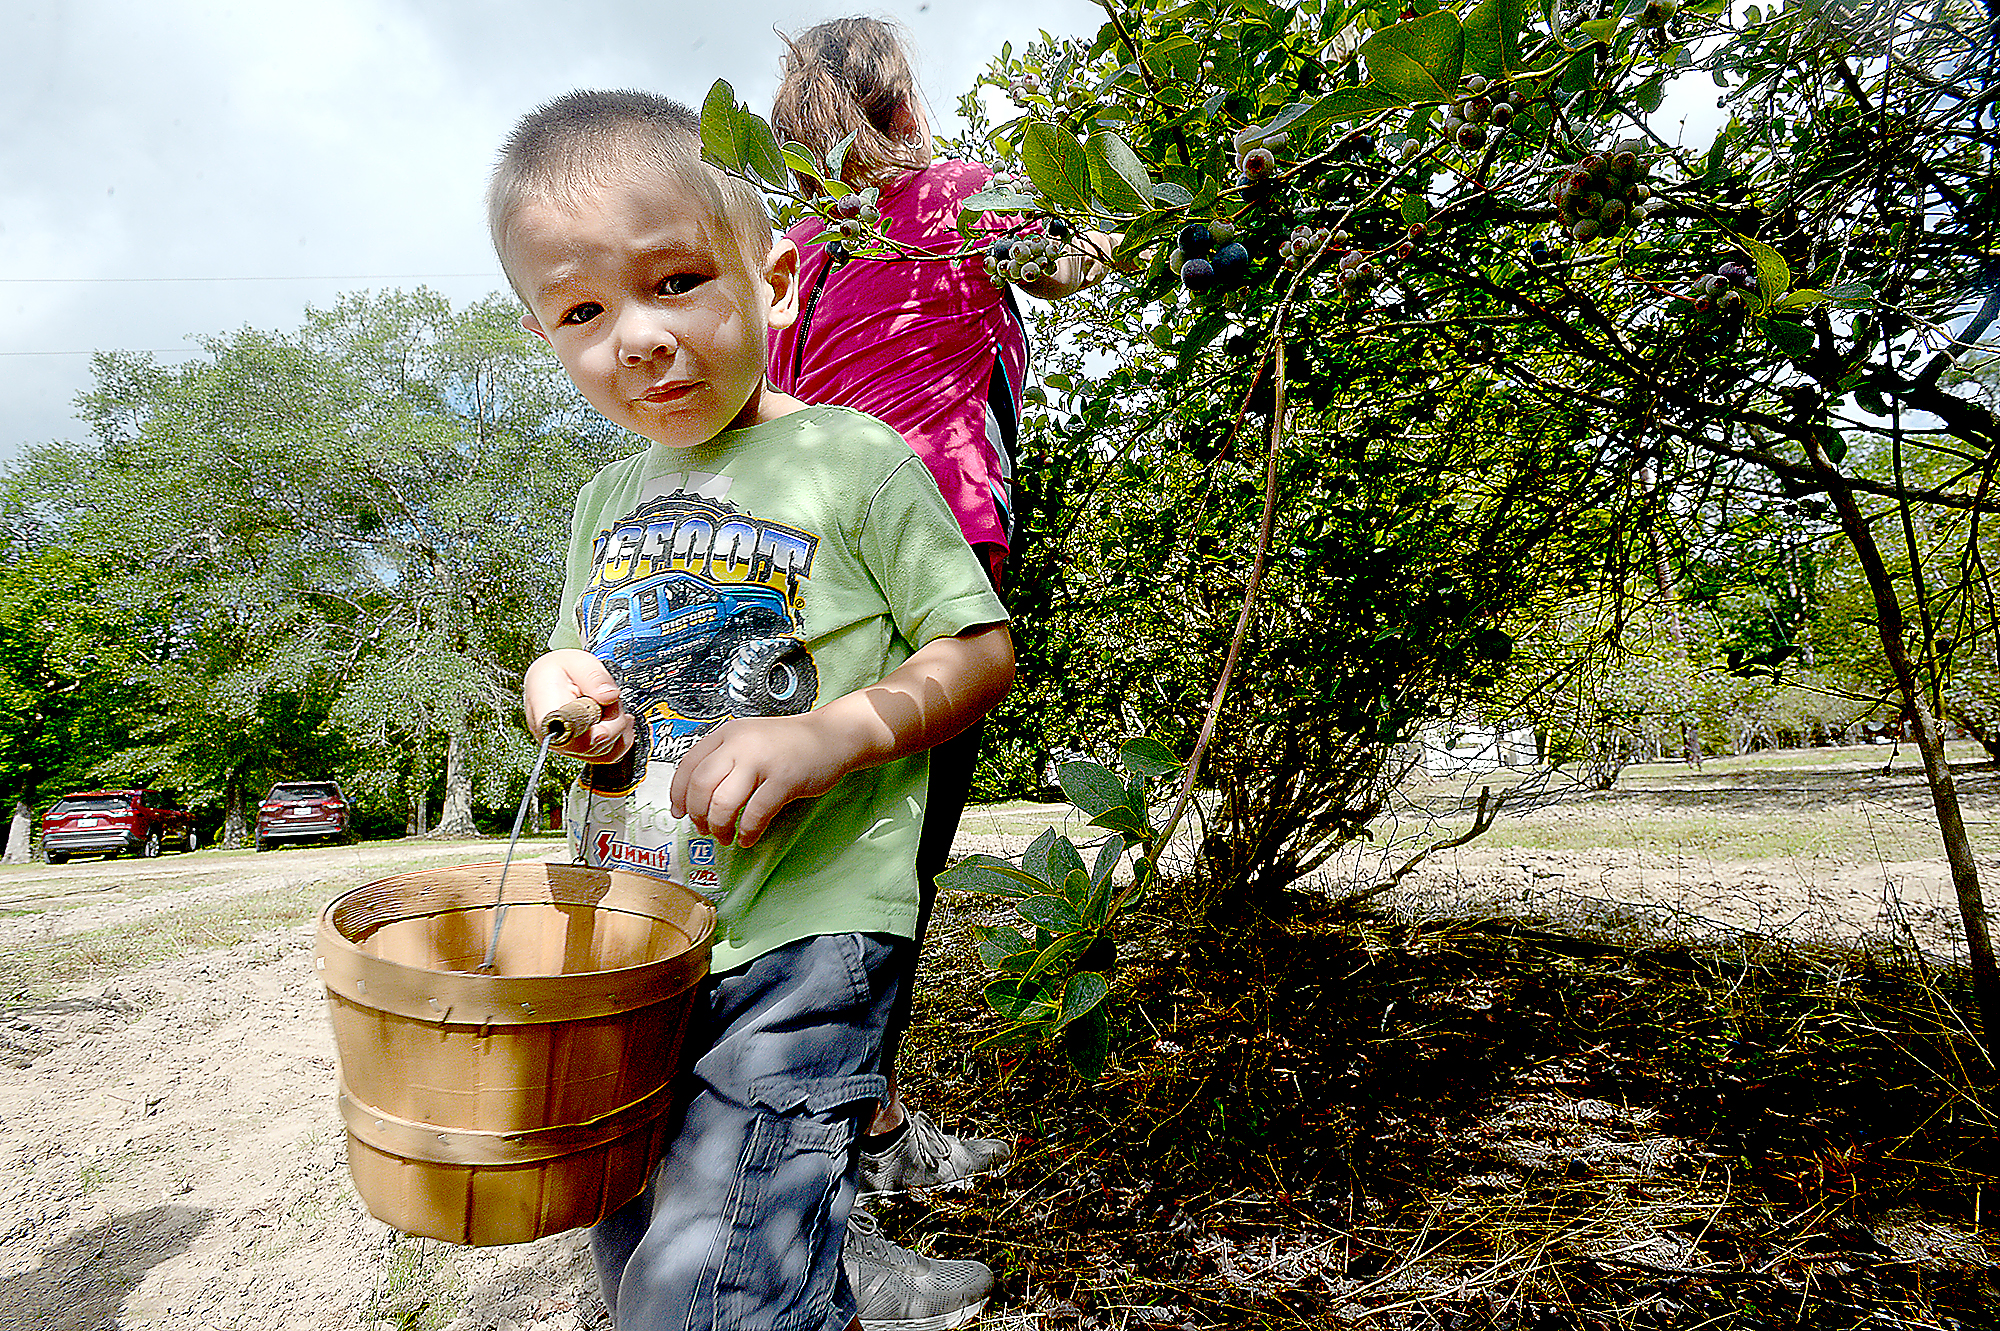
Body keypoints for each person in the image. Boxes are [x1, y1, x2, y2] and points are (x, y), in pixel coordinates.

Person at [492, 88, 1014, 1331]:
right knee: (634, 1236)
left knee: (705, 1281)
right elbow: (575, 651)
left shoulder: (856, 457)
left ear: (773, 280)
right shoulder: (604, 494)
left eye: (675, 280)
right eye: (582, 310)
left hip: (807, 933)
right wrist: (556, 693)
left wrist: (833, 730)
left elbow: (976, 645)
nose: (636, 335)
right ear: (543, 334)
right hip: (637, 937)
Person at [765, 15, 1117, 1260]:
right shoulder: (953, 194)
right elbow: (1080, 259)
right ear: (899, 104)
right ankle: (816, 1206)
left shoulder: (795, 253)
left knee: (858, 865)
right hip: (928, 567)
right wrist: (1095, 192)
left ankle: (872, 1128)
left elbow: (773, 410)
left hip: (813, 574)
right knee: (878, 882)